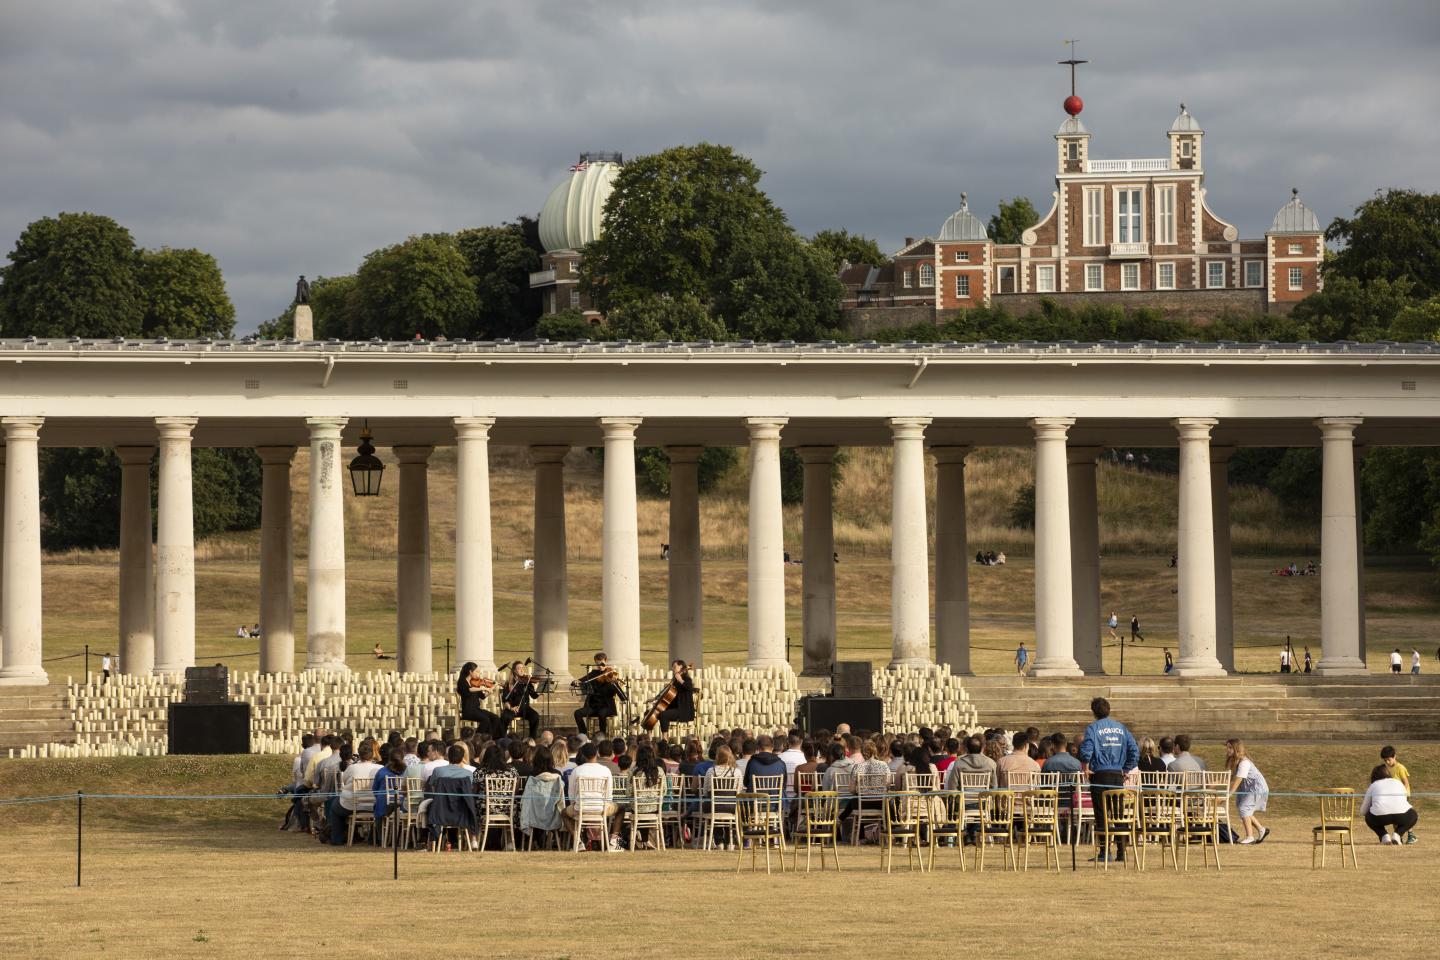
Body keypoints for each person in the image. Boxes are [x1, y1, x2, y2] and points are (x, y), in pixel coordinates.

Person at [1079, 696, 1139, 863]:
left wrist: (1085, 763)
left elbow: (1087, 749)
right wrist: (1126, 768)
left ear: (1093, 712)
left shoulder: (1093, 728)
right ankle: (1121, 851)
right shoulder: (1121, 728)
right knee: (1118, 814)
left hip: (1099, 774)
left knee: (1101, 814)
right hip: (1116, 776)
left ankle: (1105, 851)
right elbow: (1134, 749)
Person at [563, 742, 619, 850]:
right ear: (597, 753)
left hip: (581, 809)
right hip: (601, 808)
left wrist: (576, 804)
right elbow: (609, 795)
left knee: (563, 813)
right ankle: (614, 842)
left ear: (583, 755)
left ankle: (578, 841)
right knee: (621, 809)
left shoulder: (577, 770)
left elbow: (571, 795)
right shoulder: (605, 770)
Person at [330, 740, 381, 845]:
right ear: (373, 755)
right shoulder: (379, 768)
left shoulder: (352, 768)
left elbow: (344, 780)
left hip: (352, 804)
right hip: (373, 804)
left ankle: (337, 838)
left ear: (359, 755)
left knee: (334, 808)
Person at [1226, 738, 1270, 844]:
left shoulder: (1244, 762)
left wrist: (1228, 795)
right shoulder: (1236, 762)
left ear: (1236, 749)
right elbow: (1230, 777)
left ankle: (1249, 837)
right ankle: (1261, 830)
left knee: (1244, 808)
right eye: (1227, 748)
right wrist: (1214, 782)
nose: (1227, 750)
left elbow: (1238, 780)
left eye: (1230, 748)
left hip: (1257, 788)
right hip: (1248, 789)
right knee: (1245, 809)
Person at [1362, 765, 1418, 845]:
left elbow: (1363, 811)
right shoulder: (1398, 782)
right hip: (1402, 815)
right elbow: (1404, 802)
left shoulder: (1373, 785)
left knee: (1368, 817)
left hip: (1379, 817)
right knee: (1413, 815)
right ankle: (1398, 834)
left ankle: (1384, 836)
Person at [574, 652, 625, 736]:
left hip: (607, 706)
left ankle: (602, 736)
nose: (600, 666)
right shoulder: (593, 674)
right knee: (577, 713)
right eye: (598, 664)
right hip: (593, 706)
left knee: (602, 713)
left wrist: (614, 682)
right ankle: (583, 734)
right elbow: (581, 680)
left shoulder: (611, 674)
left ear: (605, 661)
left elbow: (620, 694)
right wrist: (576, 682)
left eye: (602, 664)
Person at [498, 660, 542, 739]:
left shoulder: (526, 682)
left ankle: (531, 738)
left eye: (522, 668)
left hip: (525, 708)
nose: (522, 670)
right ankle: (501, 738)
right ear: (514, 671)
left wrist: (539, 689)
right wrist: (511, 708)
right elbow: (505, 700)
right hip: (512, 708)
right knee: (505, 717)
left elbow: (534, 696)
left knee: (535, 716)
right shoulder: (509, 683)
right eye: (519, 668)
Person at [455, 662, 500, 737]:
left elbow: (482, 696)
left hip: (476, 709)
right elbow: (469, 689)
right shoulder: (462, 682)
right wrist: (482, 688)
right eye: (476, 671)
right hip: (468, 711)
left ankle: (491, 737)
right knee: (486, 720)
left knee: (495, 718)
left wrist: (491, 688)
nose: (478, 673)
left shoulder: (475, 683)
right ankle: (476, 737)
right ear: (470, 672)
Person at [653, 660, 695, 734]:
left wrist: (680, 680)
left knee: (663, 715)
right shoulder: (674, 681)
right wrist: (658, 702)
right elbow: (669, 696)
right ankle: (649, 737)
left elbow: (689, 688)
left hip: (683, 710)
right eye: (672, 667)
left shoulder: (687, 679)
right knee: (652, 712)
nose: (673, 669)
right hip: (675, 707)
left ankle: (665, 739)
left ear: (681, 667)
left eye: (675, 667)